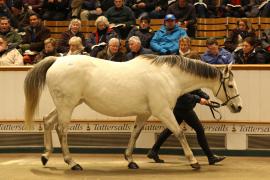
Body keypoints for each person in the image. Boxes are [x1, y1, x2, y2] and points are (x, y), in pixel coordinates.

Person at [147, 88, 226, 165]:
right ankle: (211, 157)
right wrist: (198, 99)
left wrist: (206, 97)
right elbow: (182, 94)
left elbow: (196, 89)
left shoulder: (192, 78)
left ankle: (153, 151)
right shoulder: (182, 78)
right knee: (199, 130)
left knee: (170, 130)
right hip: (184, 108)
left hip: (180, 107)